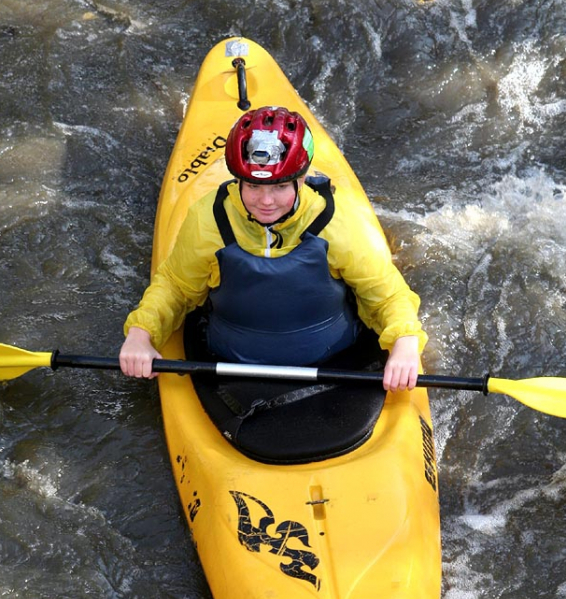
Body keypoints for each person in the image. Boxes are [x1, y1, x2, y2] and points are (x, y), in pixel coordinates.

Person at [119, 106, 427, 392]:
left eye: (279, 187)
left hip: (336, 361)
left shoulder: (338, 223)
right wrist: (141, 334)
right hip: (230, 365)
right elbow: (176, 287)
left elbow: (386, 293)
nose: (266, 202)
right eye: (253, 186)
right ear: (238, 180)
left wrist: (405, 341)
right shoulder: (209, 221)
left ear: (302, 179)